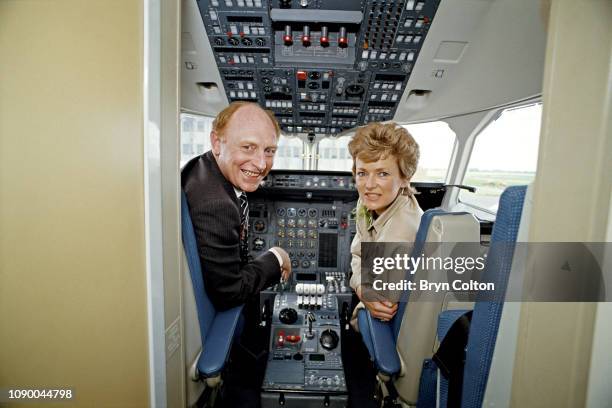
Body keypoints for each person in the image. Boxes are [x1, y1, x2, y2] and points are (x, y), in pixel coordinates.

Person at [182, 101, 291, 311]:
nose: (261, 164)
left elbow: (374, 288)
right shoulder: (217, 205)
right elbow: (229, 292)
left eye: (269, 151)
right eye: (248, 147)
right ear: (216, 142)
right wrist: (278, 256)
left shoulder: (201, 167)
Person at [348, 122, 423, 322]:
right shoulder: (367, 203)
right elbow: (358, 254)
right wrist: (361, 287)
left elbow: (382, 303)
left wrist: (362, 293)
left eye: (383, 173)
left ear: (405, 178)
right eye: (362, 173)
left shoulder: (404, 228)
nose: (369, 185)